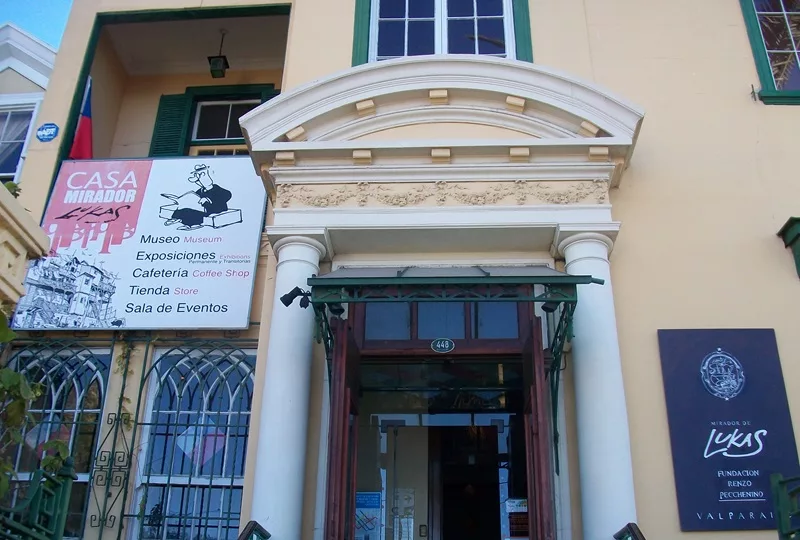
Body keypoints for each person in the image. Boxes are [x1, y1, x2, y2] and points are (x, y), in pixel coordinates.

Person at [164, 164, 232, 231]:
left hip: (214, 208)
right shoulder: (201, 190)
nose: (200, 181)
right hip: (203, 208)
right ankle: (176, 218)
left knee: (194, 212)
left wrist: (208, 199)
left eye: (201, 177)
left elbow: (228, 195)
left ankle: (191, 224)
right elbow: (194, 198)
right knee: (185, 209)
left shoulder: (216, 188)